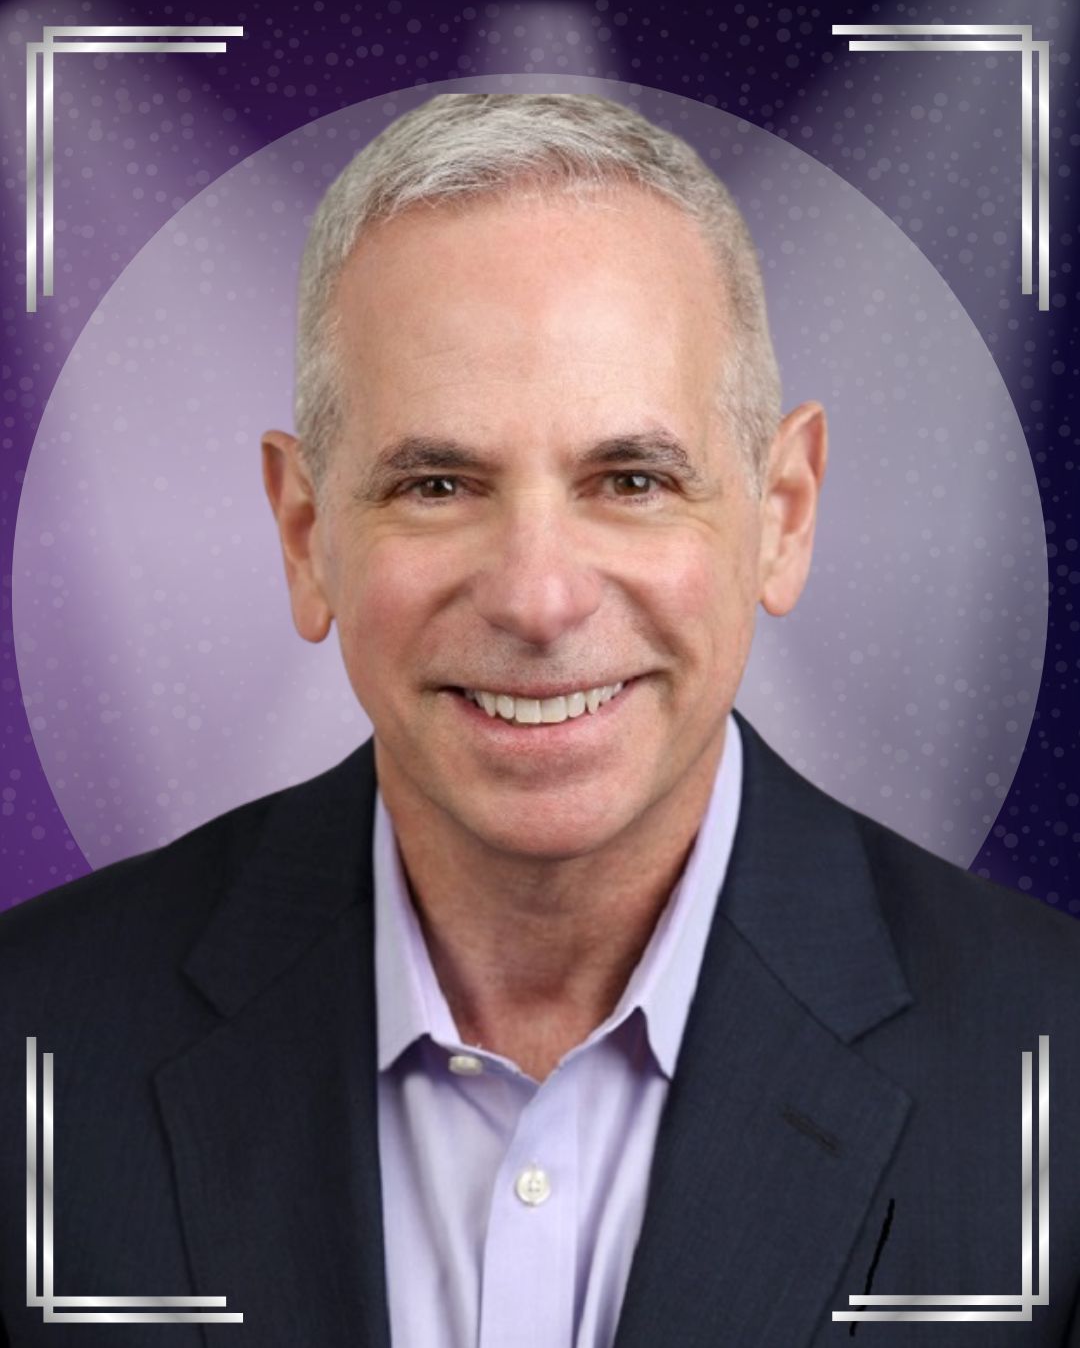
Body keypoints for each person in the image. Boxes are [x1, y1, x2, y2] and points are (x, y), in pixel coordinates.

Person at [1, 93, 1078, 1348]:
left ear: (782, 515)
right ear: (306, 536)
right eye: (437, 484)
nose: (538, 598)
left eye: (632, 480)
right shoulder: (33, 1048)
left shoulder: (1051, 1068)